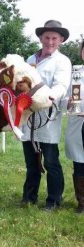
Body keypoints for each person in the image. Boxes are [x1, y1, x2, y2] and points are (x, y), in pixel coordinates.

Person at [21, 20, 72, 211]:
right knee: (31, 161)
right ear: (41, 38)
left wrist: (52, 96)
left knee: (51, 161)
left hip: (48, 116)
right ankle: (29, 197)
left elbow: (61, 85)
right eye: (46, 37)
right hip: (29, 116)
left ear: (60, 40)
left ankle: (53, 200)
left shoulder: (62, 61)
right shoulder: (30, 59)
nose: (49, 41)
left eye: (54, 38)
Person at [65, 40, 84, 214]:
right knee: (80, 163)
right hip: (78, 123)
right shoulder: (76, 74)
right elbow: (66, 102)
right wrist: (69, 103)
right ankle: (82, 203)